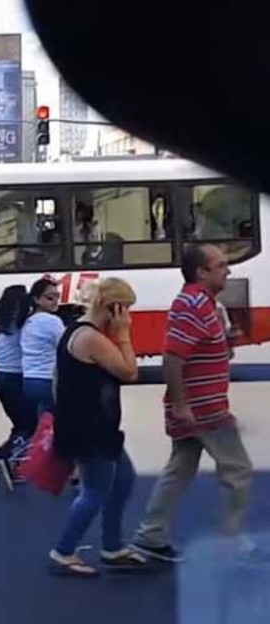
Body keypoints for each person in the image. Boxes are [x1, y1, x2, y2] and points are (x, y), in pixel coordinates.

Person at [131, 245, 257, 562]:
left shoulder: (203, 304)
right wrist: (181, 404)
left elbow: (203, 352)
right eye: (221, 265)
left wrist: (227, 341)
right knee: (238, 470)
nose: (228, 271)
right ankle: (228, 542)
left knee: (180, 468)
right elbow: (172, 357)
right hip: (204, 407)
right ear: (202, 272)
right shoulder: (194, 305)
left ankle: (150, 534)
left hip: (198, 403)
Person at [47, 278, 151, 576]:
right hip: (90, 428)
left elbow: (58, 379)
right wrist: (124, 333)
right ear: (114, 308)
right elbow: (129, 371)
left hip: (92, 425)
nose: (129, 316)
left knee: (123, 480)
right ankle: (64, 551)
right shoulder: (91, 338)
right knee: (95, 492)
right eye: (126, 309)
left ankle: (112, 546)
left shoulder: (73, 330)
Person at [0, 284, 35, 492]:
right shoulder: (24, 325)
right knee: (30, 424)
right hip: (16, 377)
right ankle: (2, 455)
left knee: (19, 423)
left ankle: (7, 470)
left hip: (0, 378)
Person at [20, 278, 65, 417]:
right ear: (37, 299)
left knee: (42, 426)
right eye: (50, 297)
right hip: (47, 380)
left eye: (58, 296)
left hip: (29, 380)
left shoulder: (28, 320)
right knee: (54, 426)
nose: (55, 301)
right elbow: (65, 346)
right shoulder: (52, 321)